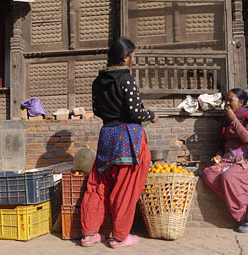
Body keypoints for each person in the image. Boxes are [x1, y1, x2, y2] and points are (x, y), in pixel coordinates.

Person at [80, 38, 158, 248]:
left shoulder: (98, 81)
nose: (133, 60)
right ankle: (120, 236)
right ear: (125, 58)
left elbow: (97, 110)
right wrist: (150, 115)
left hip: (107, 136)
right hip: (128, 138)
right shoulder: (126, 79)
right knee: (126, 187)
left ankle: (89, 234)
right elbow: (134, 111)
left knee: (99, 183)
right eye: (133, 56)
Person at [202, 88, 248, 233]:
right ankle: (247, 207)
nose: (227, 103)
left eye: (231, 100)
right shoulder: (227, 120)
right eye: (226, 100)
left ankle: (246, 215)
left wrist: (234, 120)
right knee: (208, 174)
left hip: (244, 161)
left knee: (228, 178)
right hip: (227, 160)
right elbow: (222, 144)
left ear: (241, 102)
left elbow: (246, 137)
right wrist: (218, 155)